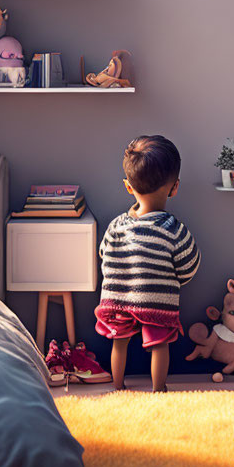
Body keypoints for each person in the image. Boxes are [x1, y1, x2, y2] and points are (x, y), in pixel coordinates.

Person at [95, 135, 200, 392]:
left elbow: (103, 255)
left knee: (119, 342)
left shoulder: (117, 225)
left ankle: (118, 386)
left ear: (128, 187)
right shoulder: (173, 228)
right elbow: (189, 266)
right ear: (175, 187)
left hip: (117, 297)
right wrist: (172, 280)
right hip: (156, 301)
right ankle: (158, 388)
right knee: (159, 343)